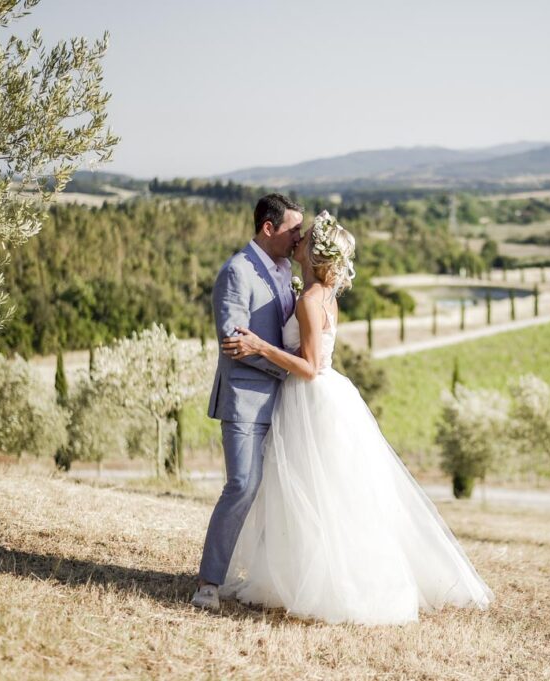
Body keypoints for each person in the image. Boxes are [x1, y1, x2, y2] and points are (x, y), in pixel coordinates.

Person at [218, 210, 493, 625]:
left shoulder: (310, 300)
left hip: (310, 397)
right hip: (321, 398)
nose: (298, 240)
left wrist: (260, 346)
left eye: (305, 238)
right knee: (318, 494)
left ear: (316, 253)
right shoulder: (323, 296)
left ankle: (330, 586)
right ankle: (298, 578)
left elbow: (310, 367)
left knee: (316, 493)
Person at [191, 193, 303, 611]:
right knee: (242, 485)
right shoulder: (237, 271)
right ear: (268, 228)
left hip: (286, 402)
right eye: (293, 229)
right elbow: (233, 342)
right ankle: (208, 583)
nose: (299, 237)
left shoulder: (287, 269)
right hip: (245, 399)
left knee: (278, 493)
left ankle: (268, 581)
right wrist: (289, 367)